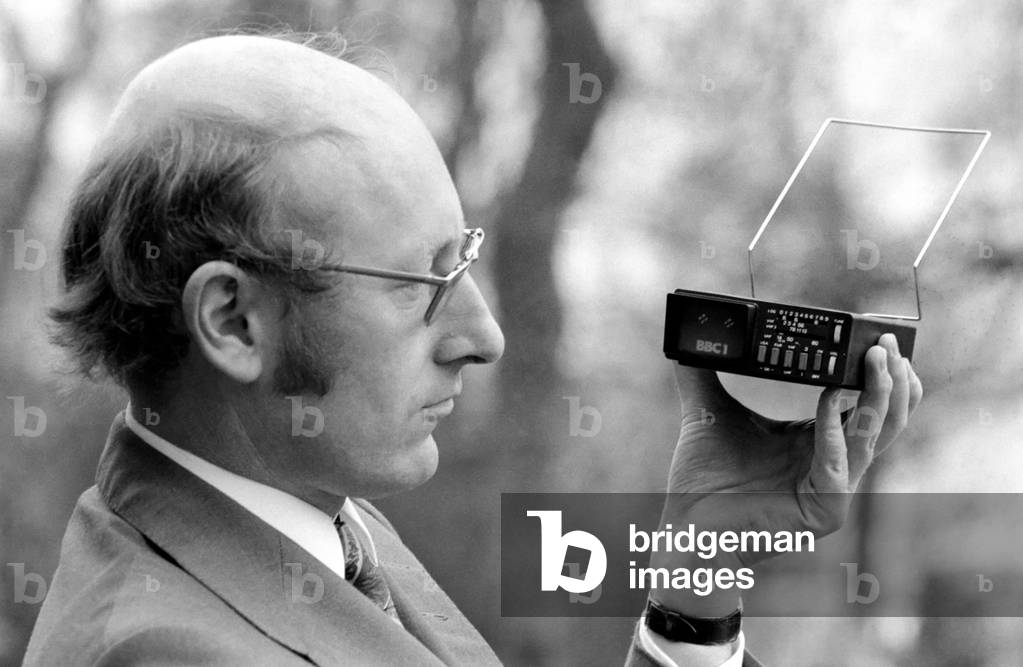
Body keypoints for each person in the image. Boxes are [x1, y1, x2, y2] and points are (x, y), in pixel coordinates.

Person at [24, 32, 921, 666]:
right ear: (233, 321)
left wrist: (696, 576)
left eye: (467, 258)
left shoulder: (323, 520)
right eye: (424, 282)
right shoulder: (174, 649)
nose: (482, 335)